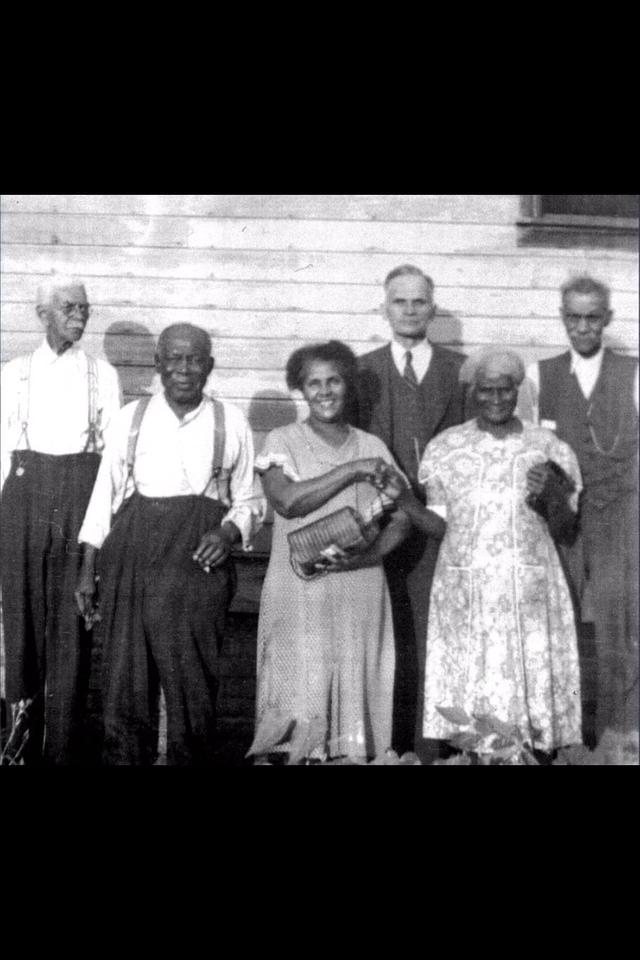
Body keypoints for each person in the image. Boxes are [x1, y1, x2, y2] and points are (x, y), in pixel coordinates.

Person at [75, 323, 263, 766]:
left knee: (192, 683)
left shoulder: (229, 420)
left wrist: (227, 533)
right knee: (126, 680)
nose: (183, 368)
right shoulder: (131, 419)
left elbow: (250, 498)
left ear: (209, 366)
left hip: (199, 559)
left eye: (194, 358)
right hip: (132, 558)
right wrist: (87, 569)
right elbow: (104, 497)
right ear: (158, 364)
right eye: (174, 358)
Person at [252, 341, 436, 764]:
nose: (324, 391)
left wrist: (370, 558)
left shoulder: (373, 445)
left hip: (360, 587)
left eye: (333, 380)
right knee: (296, 693)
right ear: (301, 389)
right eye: (313, 383)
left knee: (358, 696)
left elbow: (403, 518)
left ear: (348, 385)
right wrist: (351, 471)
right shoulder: (283, 439)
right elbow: (288, 502)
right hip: (299, 590)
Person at [414, 348, 584, 756]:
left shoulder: (548, 447)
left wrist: (554, 497)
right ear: (472, 393)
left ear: (517, 391)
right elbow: (437, 524)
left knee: (526, 701)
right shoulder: (446, 448)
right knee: (470, 702)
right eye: (486, 390)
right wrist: (403, 499)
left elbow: (567, 531)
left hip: (526, 592)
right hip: (465, 593)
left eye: (504, 390)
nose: (495, 399)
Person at [0, 279, 121, 765]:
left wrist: (98, 530)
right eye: (69, 307)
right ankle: (17, 750)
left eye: (85, 308)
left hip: (79, 501)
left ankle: (63, 753)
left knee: (72, 631)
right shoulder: (14, 373)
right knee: (21, 626)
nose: (80, 316)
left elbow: (111, 460)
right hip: (23, 503)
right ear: (41, 313)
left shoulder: (102, 375)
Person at [353, 264, 469, 760]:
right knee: (384, 633)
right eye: (399, 302)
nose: (409, 310)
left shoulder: (460, 371)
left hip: (442, 524)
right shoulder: (360, 372)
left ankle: (433, 747)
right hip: (379, 523)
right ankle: (386, 747)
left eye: (419, 301)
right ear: (384, 309)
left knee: (433, 633)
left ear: (433, 309)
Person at [517, 275, 639, 743]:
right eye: (574, 316)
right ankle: (557, 735)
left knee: (619, 627)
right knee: (553, 623)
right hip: (559, 519)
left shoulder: (633, 373)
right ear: (562, 317)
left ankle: (620, 734)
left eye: (593, 317)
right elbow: (528, 452)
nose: (583, 326)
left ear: (606, 319)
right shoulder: (538, 375)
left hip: (620, 519)